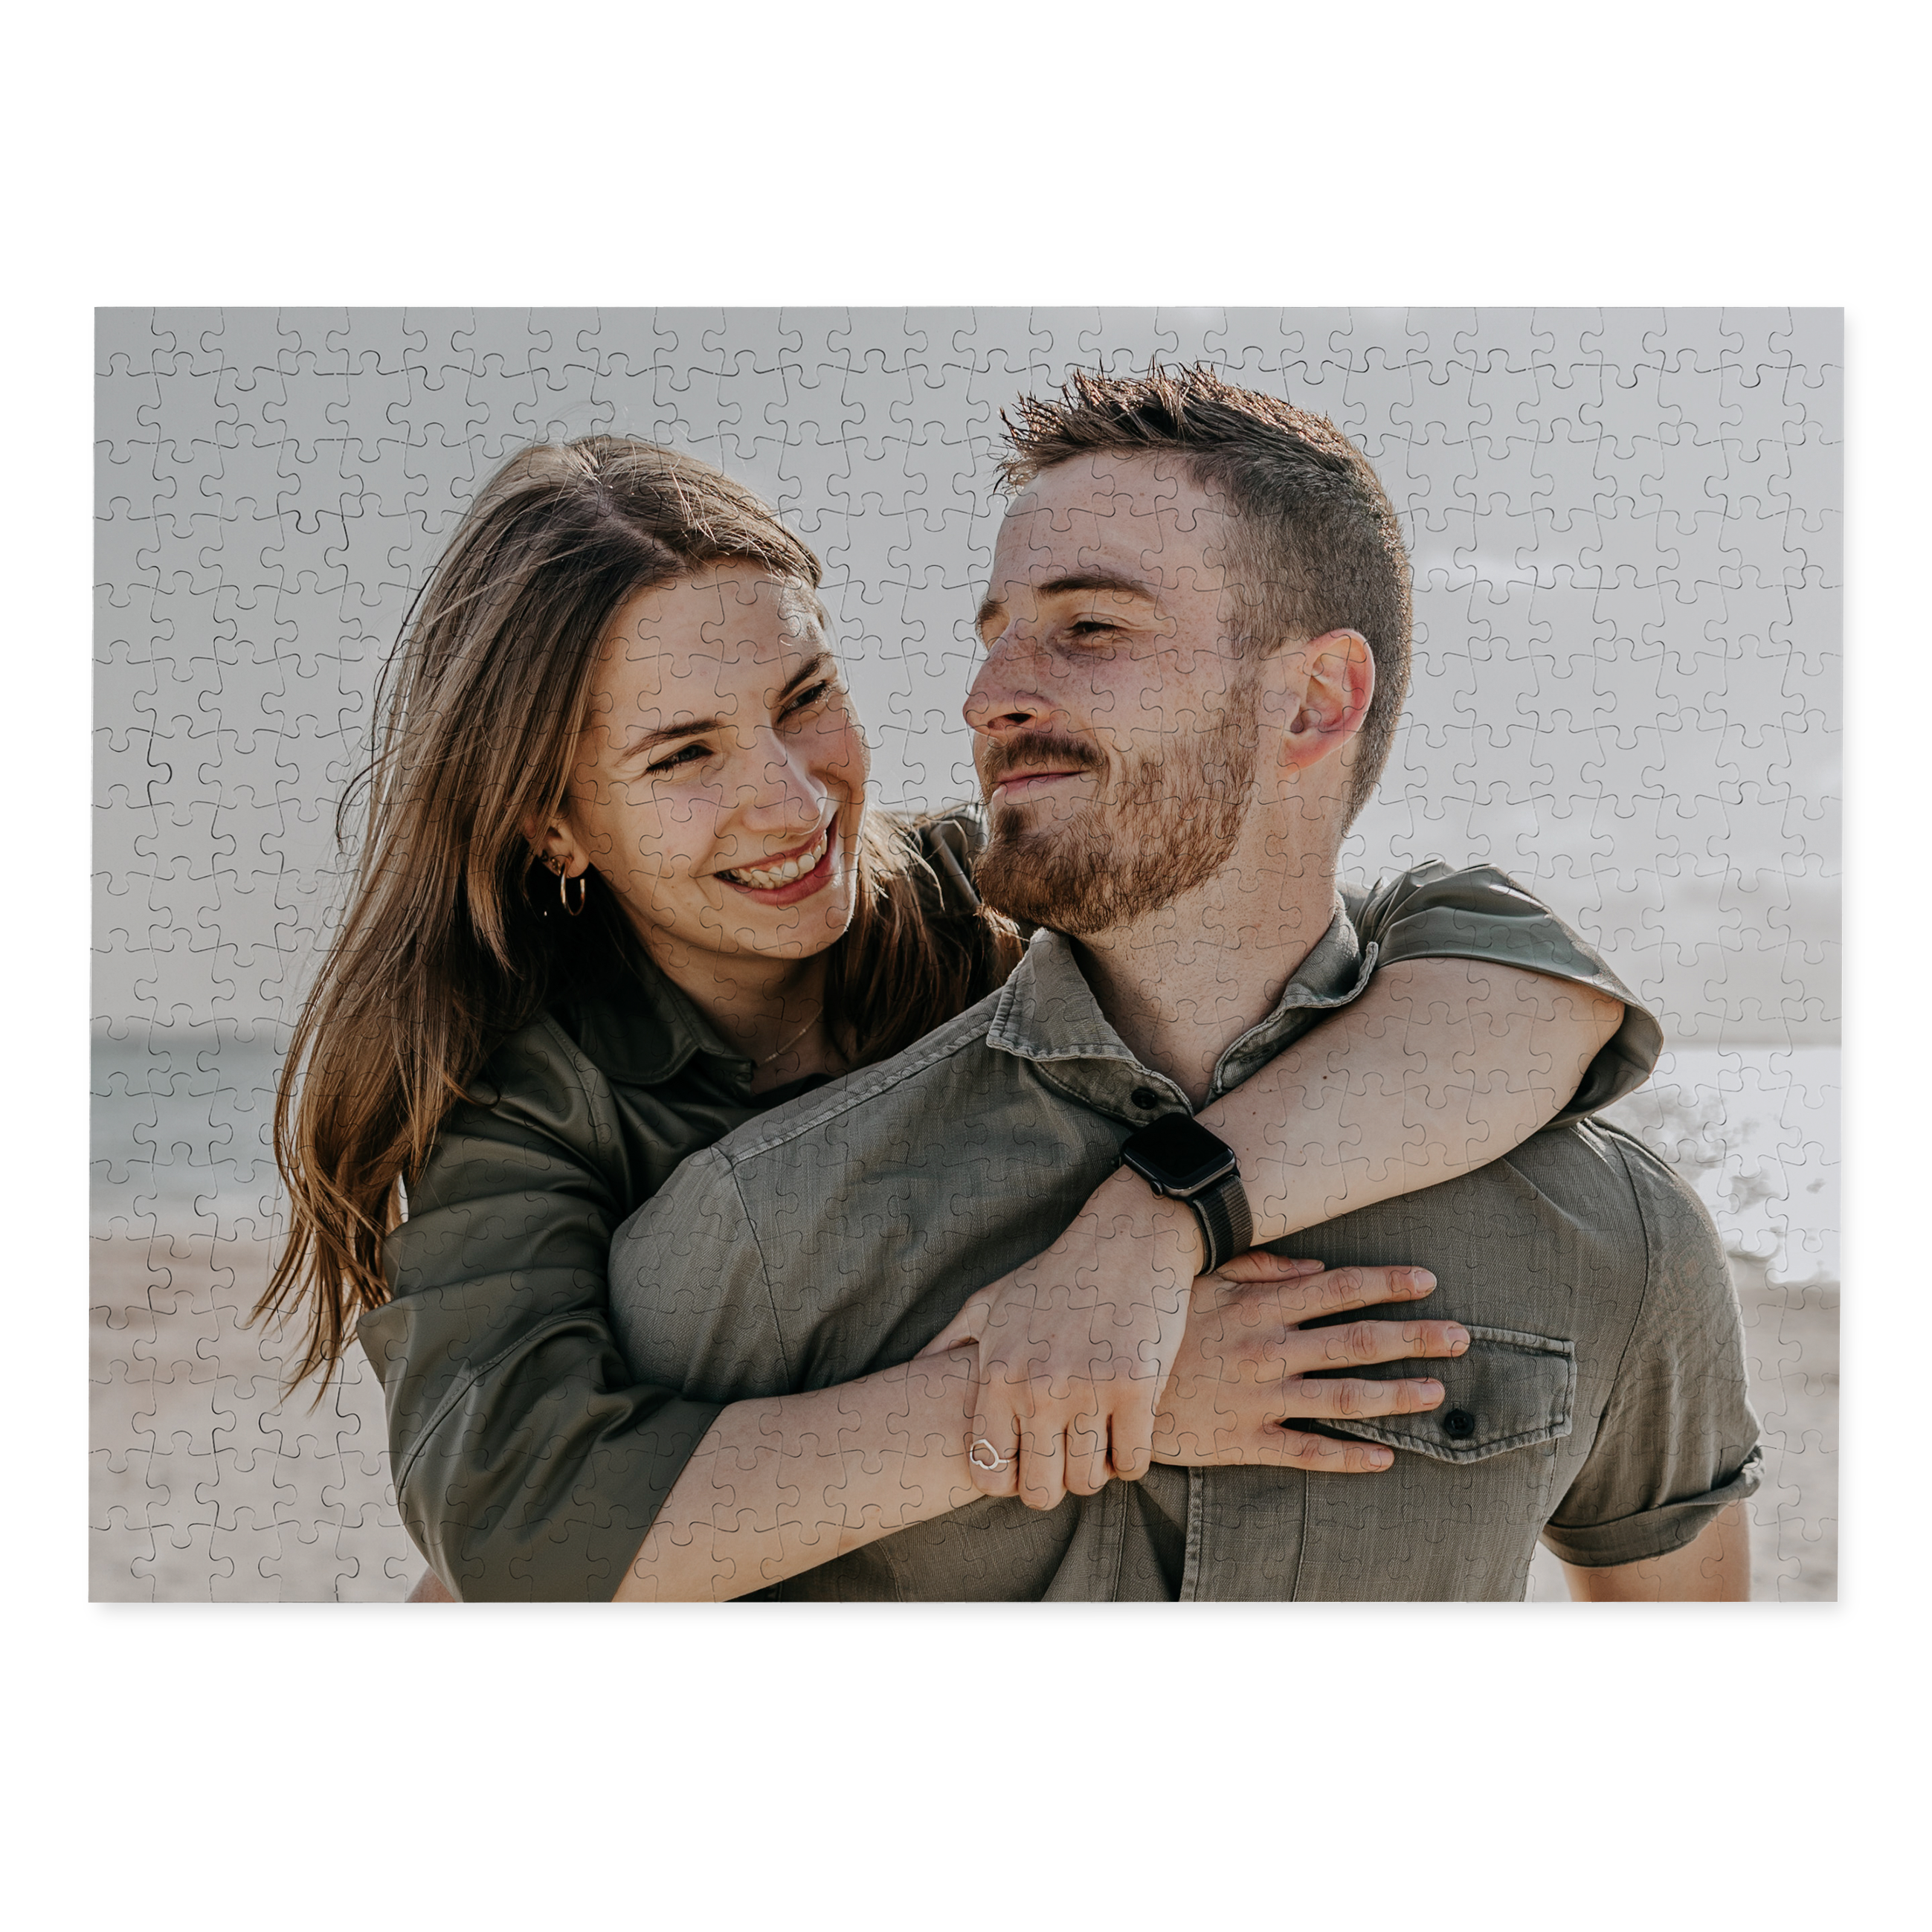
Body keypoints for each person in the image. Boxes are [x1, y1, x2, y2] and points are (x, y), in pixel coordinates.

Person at [270, 433, 1647, 1604]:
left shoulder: (979, 901)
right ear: (554, 821)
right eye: (683, 754)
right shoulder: (516, 1097)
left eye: (804, 700)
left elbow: (1522, 988)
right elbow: (524, 1532)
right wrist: (1094, 1396)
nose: (796, 801)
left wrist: (1151, 1228)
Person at [602, 368, 1761, 1603]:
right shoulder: (759, 1229)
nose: (987, 697)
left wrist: (1158, 1218)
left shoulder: (1616, 1231)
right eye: (992, 632)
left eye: (1088, 628)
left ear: (1315, 700)